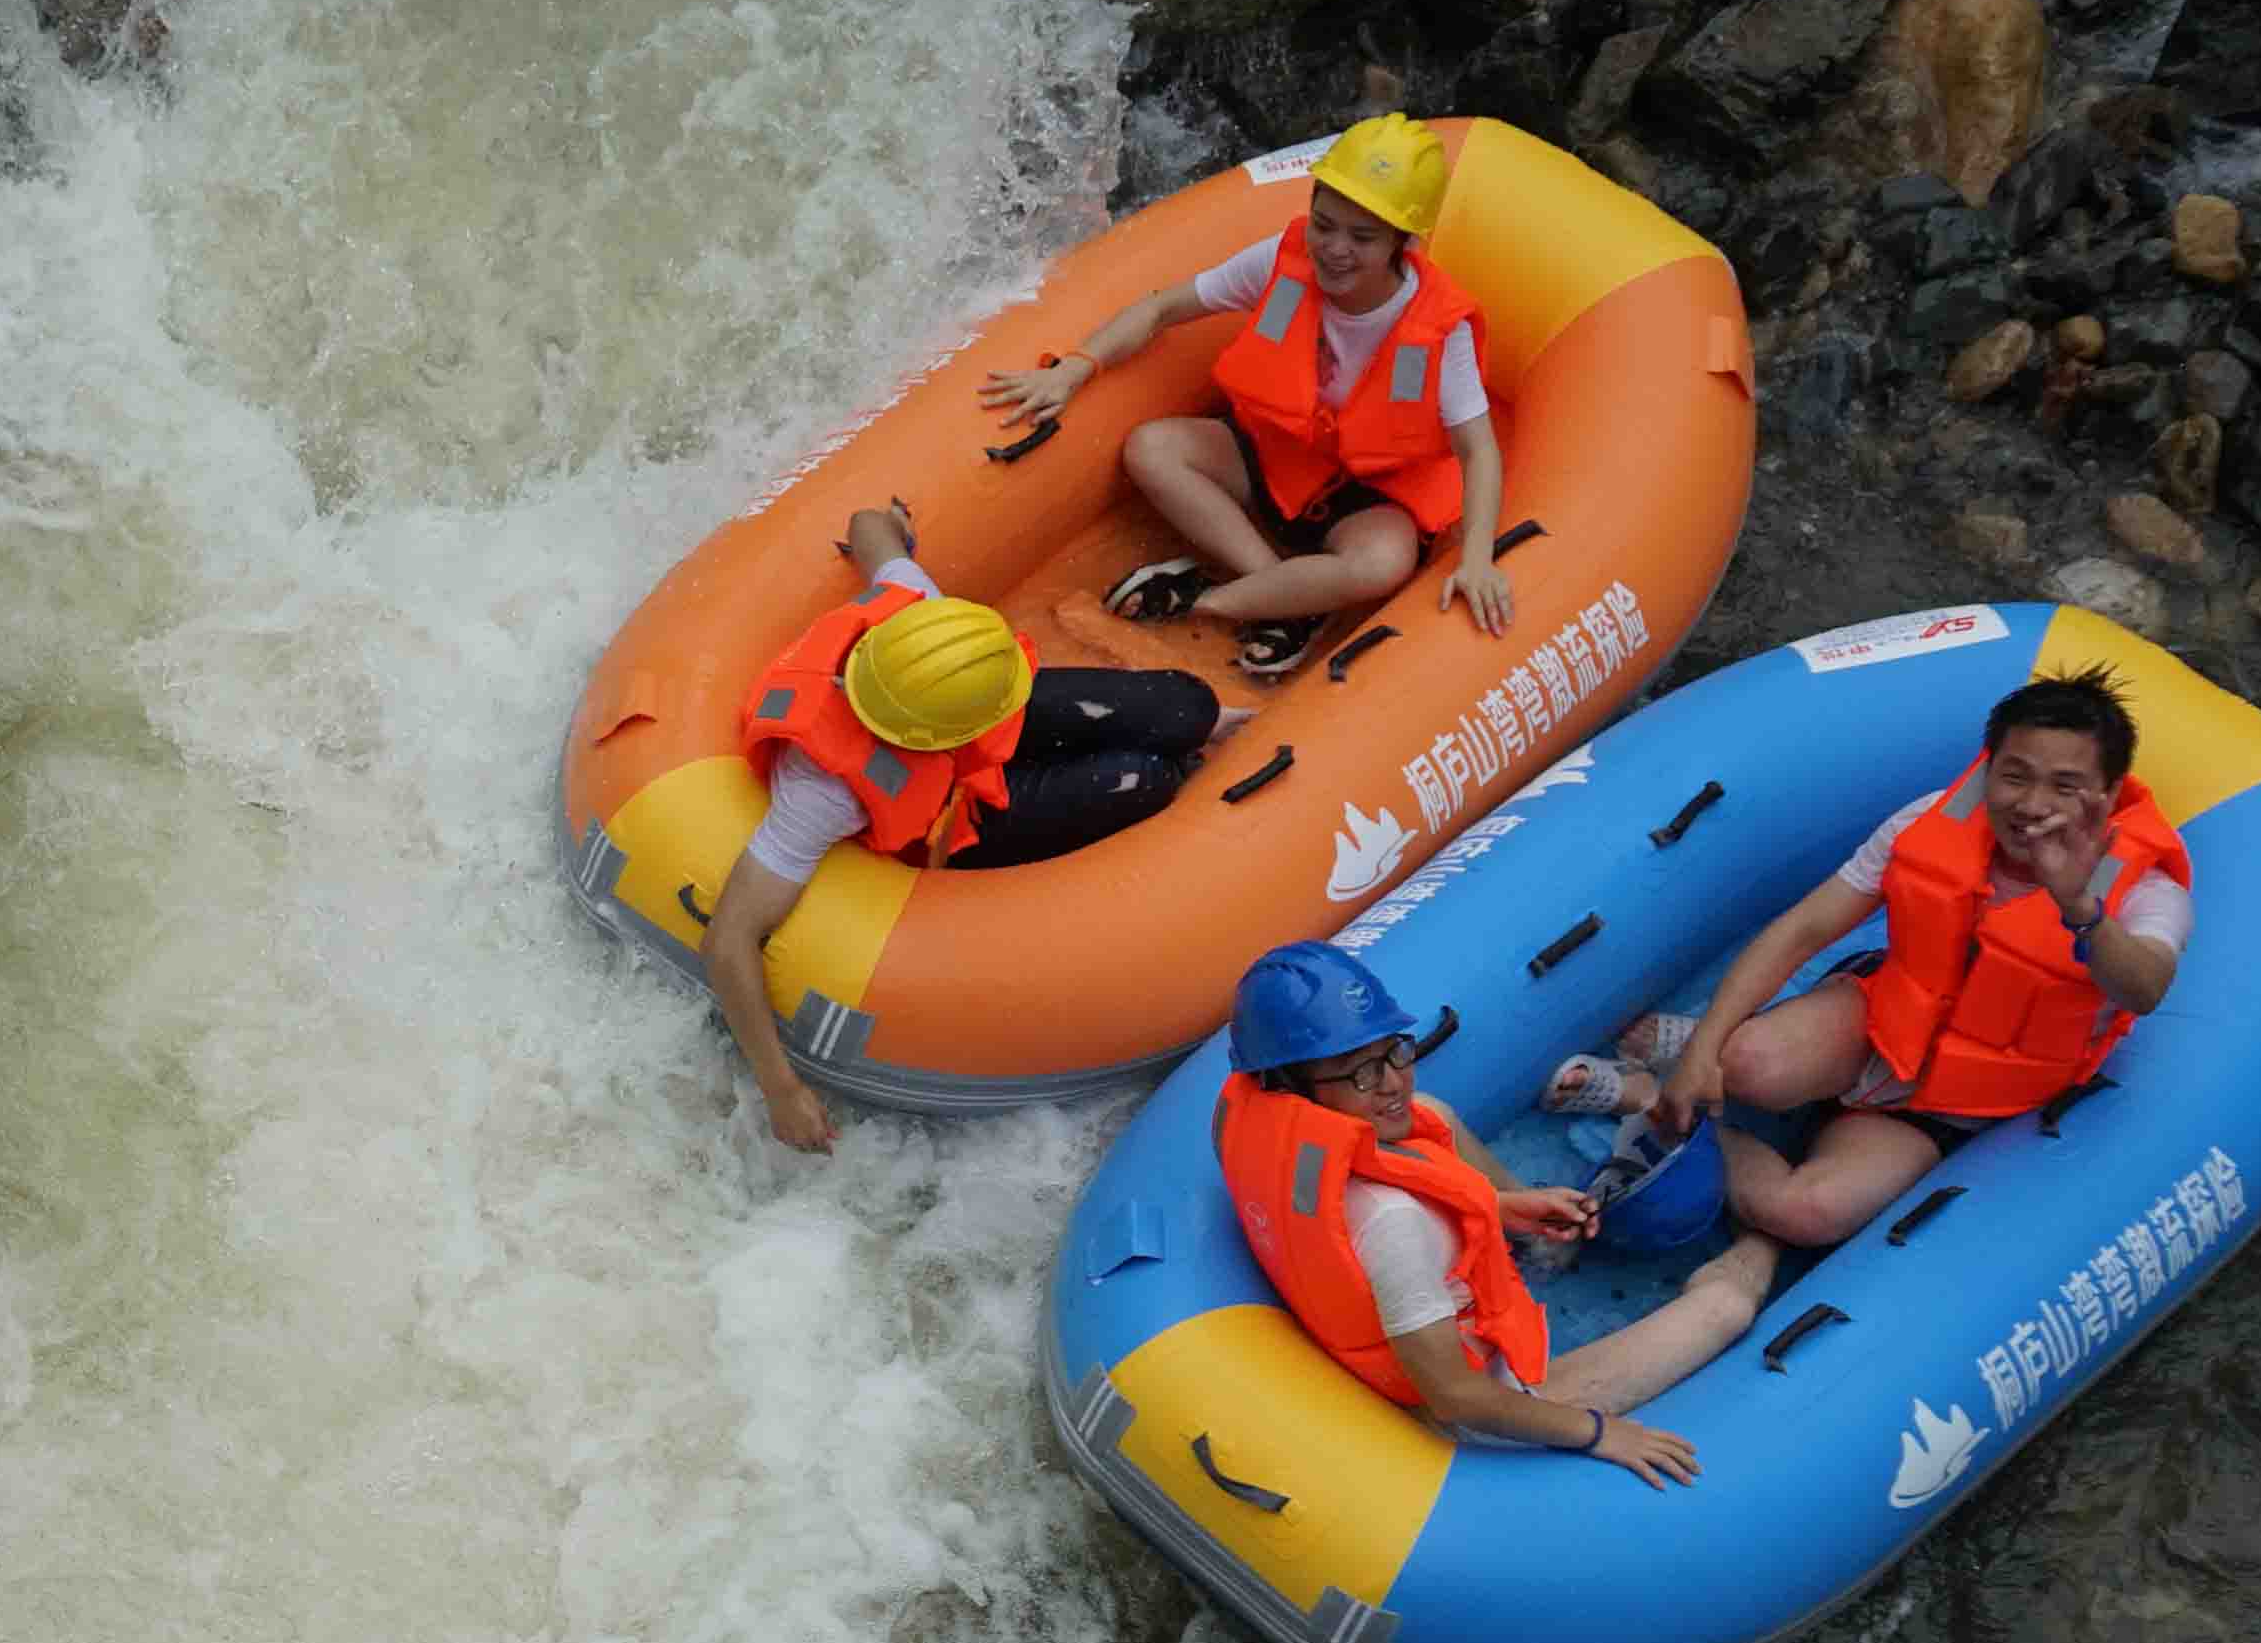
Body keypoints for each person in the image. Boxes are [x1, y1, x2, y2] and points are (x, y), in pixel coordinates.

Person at [1572, 669, 2192, 1254]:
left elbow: (2144, 988)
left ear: (2108, 795)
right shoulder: (1929, 820)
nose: (2032, 805)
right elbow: (1803, 929)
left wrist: (2079, 906)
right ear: (1990, 767)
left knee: (1805, 1213)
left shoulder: (2146, 891)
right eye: (2015, 776)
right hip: (1876, 1024)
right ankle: (1693, 1062)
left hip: (1960, 1106)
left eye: (2065, 786)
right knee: (1742, 1061)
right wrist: (1706, 1046)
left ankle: (1642, 1097)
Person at [702, 497, 1236, 1155]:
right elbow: (729, 942)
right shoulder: (822, 791)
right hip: (954, 821)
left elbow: (865, 523)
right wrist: (780, 1088)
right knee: (1144, 779)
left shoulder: (912, 609)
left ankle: (1177, 728)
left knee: (1191, 708)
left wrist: (895, 524)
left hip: (963, 716)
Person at [1217, 943, 1775, 1491]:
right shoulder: (1392, 1225)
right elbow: (1455, 1396)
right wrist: (1598, 1433)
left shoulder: (1252, 1126)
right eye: (1358, 1073)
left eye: (1394, 1052)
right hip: (1474, 1406)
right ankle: (1772, 1230)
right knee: (1726, 1308)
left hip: (1391, 1284)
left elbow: (1390, 1175)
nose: (1391, 1082)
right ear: (1292, 1085)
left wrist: (1503, 1207)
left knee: (1429, 1115)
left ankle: (1544, 1241)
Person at [983, 115, 1511, 683]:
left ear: (1402, 244)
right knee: (1152, 448)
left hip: (1370, 493)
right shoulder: (1284, 262)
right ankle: (1285, 593)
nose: (1335, 250)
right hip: (1276, 456)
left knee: (1385, 563)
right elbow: (1162, 308)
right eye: (1325, 225)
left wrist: (1477, 558)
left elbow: (1478, 450)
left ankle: (1216, 598)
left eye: (1363, 238)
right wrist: (1074, 369)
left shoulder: (1438, 327)